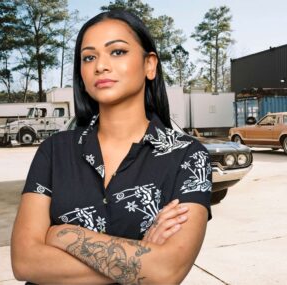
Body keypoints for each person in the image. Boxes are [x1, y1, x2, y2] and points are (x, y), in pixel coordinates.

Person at [11, 9, 212, 285]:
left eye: (117, 52)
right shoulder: (54, 151)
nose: (100, 66)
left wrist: (62, 235)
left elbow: (168, 271)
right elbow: (24, 261)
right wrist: (141, 259)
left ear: (149, 65)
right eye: (89, 57)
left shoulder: (188, 156)